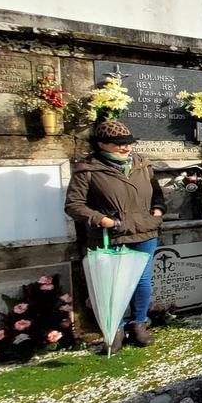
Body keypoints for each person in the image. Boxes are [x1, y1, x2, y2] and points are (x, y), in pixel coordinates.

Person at [65, 120, 165, 353]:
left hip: (144, 231)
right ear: (101, 144)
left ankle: (139, 324)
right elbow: (74, 205)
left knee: (142, 282)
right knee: (112, 284)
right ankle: (115, 328)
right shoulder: (88, 169)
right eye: (119, 144)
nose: (126, 148)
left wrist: (157, 213)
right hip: (112, 234)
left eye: (128, 143)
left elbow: (157, 195)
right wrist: (102, 220)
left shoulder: (142, 164)